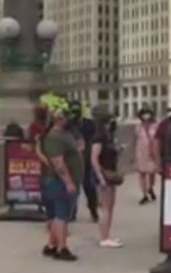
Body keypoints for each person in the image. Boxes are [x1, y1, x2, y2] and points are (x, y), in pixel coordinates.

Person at [40, 107, 82, 261]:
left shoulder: (67, 134)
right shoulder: (54, 137)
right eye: (66, 117)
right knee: (61, 215)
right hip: (59, 182)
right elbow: (58, 162)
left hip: (66, 180)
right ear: (58, 119)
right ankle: (61, 248)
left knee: (59, 214)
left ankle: (52, 244)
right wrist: (69, 182)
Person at [90, 110, 123, 248]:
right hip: (104, 174)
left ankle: (107, 235)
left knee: (109, 207)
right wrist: (100, 178)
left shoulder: (107, 136)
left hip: (108, 172)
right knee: (105, 208)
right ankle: (104, 237)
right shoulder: (99, 137)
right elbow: (94, 159)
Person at [134, 107, 159, 204]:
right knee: (142, 173)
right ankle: (144, 194)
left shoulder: (156, 126)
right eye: (144, 114)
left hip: (152, 151)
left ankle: (150, 187)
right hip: (141, 152)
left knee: (152, 172)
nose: (146, 116)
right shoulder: (138, 127)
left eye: (147, 113)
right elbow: (135, 139)